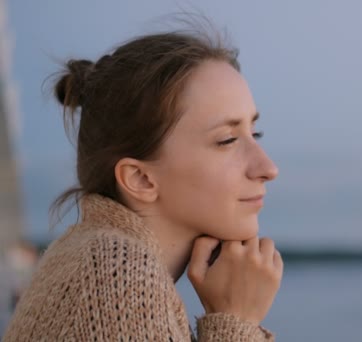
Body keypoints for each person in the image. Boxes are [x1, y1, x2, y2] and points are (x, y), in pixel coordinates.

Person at [2, 23, 283, 341]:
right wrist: (237, 322)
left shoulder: (96, 259)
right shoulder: (116, 275)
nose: (267, 168)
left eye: (254, 133)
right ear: (140, 179)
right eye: (228, 139)